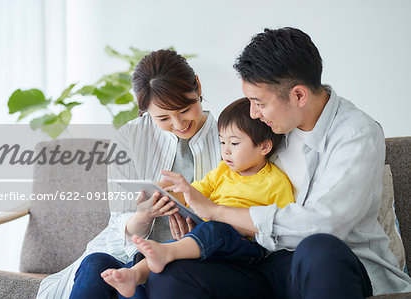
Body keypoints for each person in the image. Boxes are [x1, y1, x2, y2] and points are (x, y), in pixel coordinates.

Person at [145, 28, 411, 298]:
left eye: (258, 102)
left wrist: (216, 212)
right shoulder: (273, 127)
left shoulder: (357, 134)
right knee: (169, 277)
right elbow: (237, 177)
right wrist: (182, 202)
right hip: (267, 261)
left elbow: (325, 225)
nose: (253, 112)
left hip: (335, 265)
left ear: (298, 95)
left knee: (318, 249)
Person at [36, 49, 221, 299]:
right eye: (163, 118)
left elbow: (240, 211)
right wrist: (144, 215)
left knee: (153, 283)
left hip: (196, 258)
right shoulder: (129, 137)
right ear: (144, 109)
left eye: (185, 109)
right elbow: (119, 222)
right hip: (131, 252)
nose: (179, 125)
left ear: (197, 86)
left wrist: (193, 236)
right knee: (94, 265)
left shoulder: (230, 137)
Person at [100, 97, 294, 298]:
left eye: (234, 143)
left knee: (212, 229)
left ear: (264, 147)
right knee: (171, 246)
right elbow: (194, 193)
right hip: (211, 237)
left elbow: (283, 226)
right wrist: (166, 193)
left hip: (246, 246)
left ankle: (161, 257)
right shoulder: (222, 171)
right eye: (222, 141)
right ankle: (135, 274)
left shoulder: (275, 181)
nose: (225, 150)